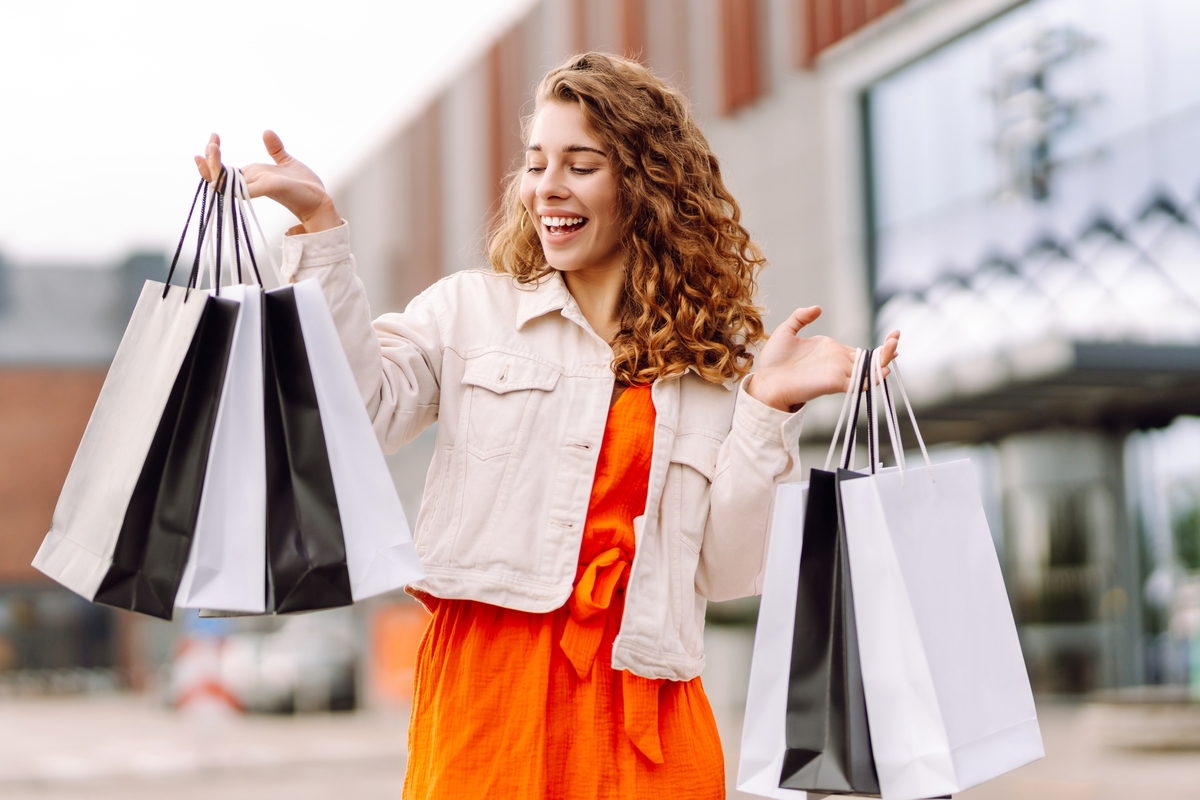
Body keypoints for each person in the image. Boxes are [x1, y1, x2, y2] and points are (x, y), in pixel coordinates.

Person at [197, 52, 898, 800]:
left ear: (647, 183)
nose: (547, 188)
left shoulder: (710, 367)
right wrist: (319, 230)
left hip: (648, 716)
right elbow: (354, 414)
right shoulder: (470, 312)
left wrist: (767, 408)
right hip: (490, 704)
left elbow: (726, 572)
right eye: (536, 164)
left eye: (580, 164)